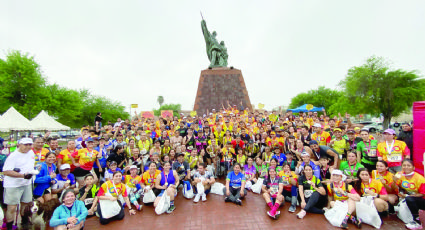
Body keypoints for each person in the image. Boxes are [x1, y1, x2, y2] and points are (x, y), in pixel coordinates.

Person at [2, 138, 35, 230]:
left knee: (26, 204)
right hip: (13, 185)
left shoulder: (31, 153)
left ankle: (24, 223)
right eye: (25, 144)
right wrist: (22, 175)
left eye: (29, 144)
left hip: (27, 183)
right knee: (12, 207)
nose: (28, 147)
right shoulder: (13, 156)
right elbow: (6, 171)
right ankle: (9, 226)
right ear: (19, 145)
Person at [394, 159, 425, 229]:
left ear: (413, 167)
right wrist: (394, 181)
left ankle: (417, 221)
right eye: (404, 165)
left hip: (422, 199)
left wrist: (408, 196)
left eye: (408, 165)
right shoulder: (399, 175)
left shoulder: (420, 178)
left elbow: (423, 194)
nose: (406, 167)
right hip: (410, 197)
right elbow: (394, 188)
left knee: (409, 199)